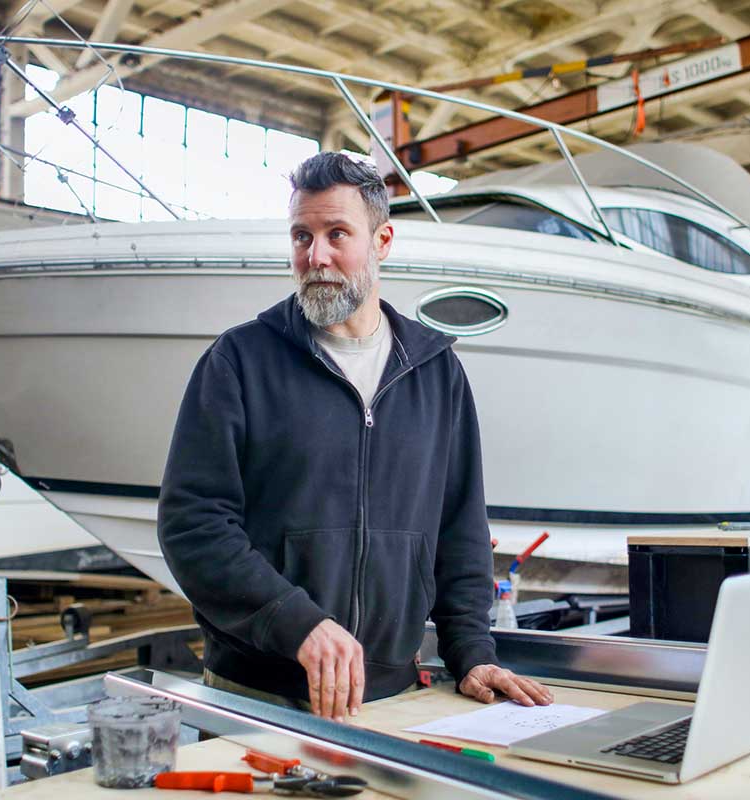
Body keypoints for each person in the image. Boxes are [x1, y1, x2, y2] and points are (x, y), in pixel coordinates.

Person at [158, 152, 552, 722]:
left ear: (382, 241)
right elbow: (192, 526)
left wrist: (471, 654)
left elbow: (459, 530)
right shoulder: (239, 362)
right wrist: (298, 623)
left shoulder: (436, 373)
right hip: (255, 693)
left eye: (336, 233)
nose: (315, 256)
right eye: (301, 236)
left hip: (390, 697)